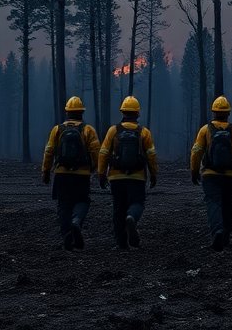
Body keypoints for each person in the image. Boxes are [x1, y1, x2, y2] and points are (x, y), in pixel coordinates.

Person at [189, 95, 232, 251]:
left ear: (213, 112)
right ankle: (226, 233)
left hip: (210, 174)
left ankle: (217, 230)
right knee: (228, 203)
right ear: (228, 113)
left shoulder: (206, 130)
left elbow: (197, 151)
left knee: (213, 203)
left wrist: (194, 170)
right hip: (230, 176)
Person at [98, 96, 158, 250]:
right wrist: (153, 174)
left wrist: (101, 173)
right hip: (137, 177)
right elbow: (151, 155)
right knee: (137, 203)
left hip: (116, 177)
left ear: (122, 112)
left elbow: (104, 152)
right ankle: (131, 216)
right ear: (137, 113)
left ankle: (121, 244)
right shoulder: (143, 132)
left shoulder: (113, 130)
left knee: (118, 209)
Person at [40, 96, 101, 250]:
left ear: (67, 112)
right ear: (82, 112)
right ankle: (76, 221)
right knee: (83, 201)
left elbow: (49, 151)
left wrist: (46, 171)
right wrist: (95, 169)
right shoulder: (88, 130)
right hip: (81, 175)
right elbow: (95, 151)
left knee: (63, 205)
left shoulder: (57, 129)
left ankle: (68, 235)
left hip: (61, 174)